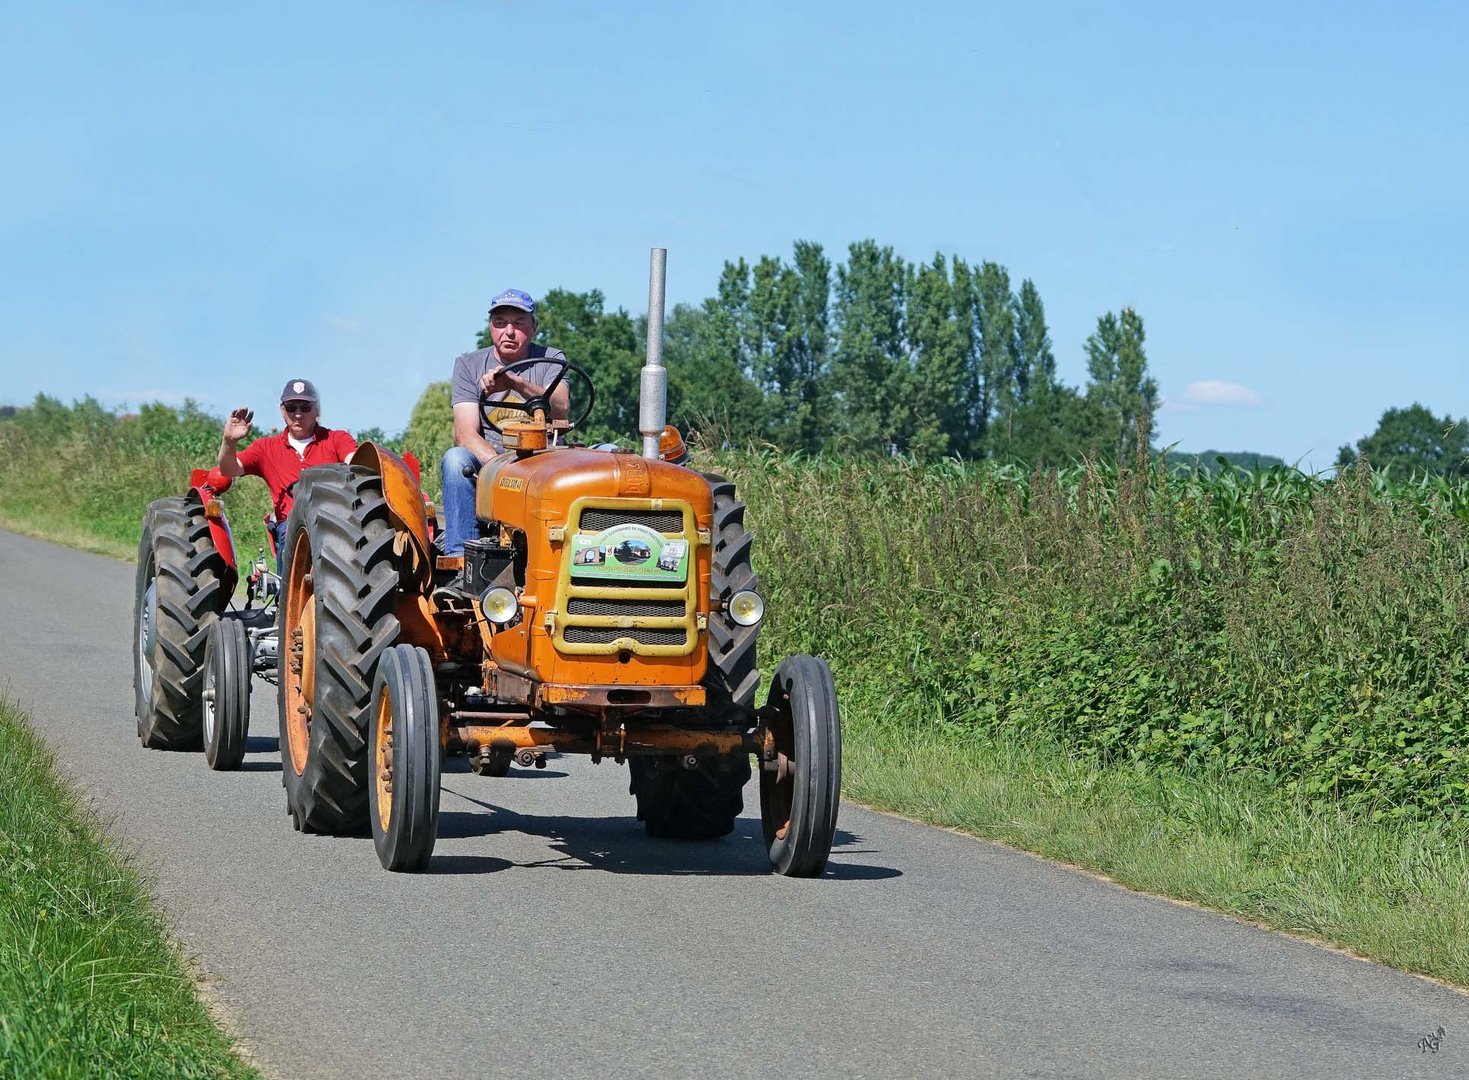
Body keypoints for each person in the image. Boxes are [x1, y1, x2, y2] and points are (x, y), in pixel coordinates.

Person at [440, 288, 570, 556]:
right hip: (490, 459)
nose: (509, 331)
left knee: (606, 455)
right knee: (455, 460)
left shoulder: (551, 359)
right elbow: (465, 435)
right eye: (500, 323)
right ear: (491, 328)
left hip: (543, 457)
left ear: (533, 327)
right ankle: (459, 559)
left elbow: (561, 407)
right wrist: (503, 471)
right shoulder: (468, 365)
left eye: (518, 323)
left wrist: (516, 383)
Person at [218, 378, 358, 569]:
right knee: (291, 529)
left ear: (317, 410)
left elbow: (356, 462)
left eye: (305, 407)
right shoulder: (265, 448)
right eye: (291, 407)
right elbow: (228, 469)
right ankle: (288, 596)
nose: (298, 414)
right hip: (291, 527)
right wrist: (229, 441)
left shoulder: (337, 439)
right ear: (283, 411)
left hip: (335, 522)